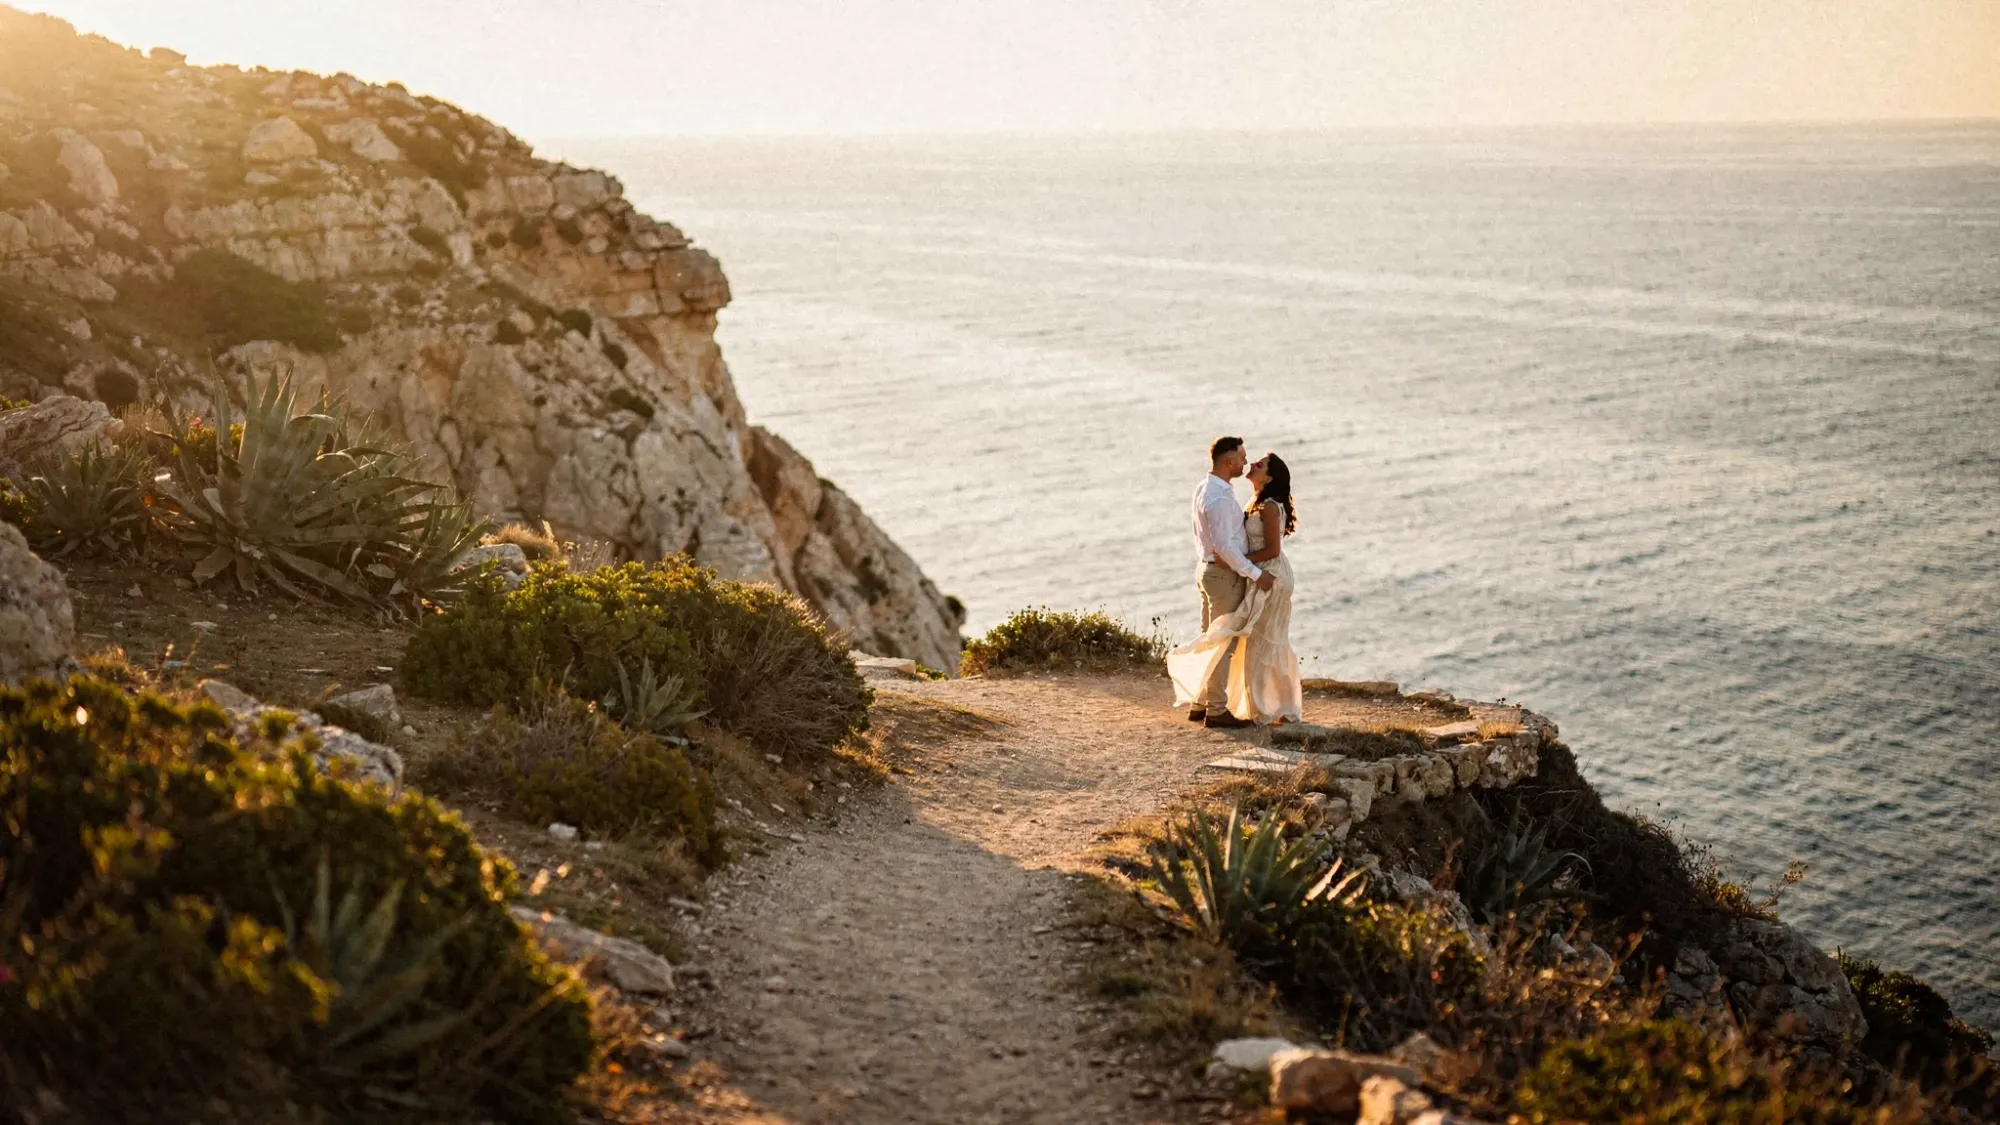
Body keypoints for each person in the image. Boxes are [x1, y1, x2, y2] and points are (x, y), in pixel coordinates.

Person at [1167, 446, 1304, 726]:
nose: (1252, 463)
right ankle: (1211, 702)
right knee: (1240, 638)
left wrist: (1236, 561)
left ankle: (1277, 705)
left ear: (1268, 478)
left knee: (1266, 640)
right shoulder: (1254, 501)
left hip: (1270, 578)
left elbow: (1273, 551)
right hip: (1256, 575)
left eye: (1261, 464)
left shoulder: (1267, 508)